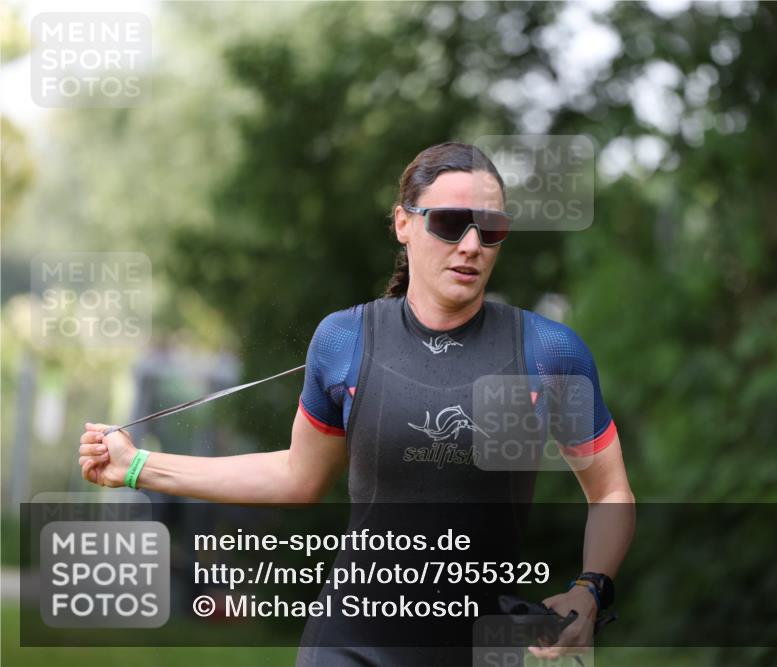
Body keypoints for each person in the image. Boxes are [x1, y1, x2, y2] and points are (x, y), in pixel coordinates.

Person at [79, 141, 635, 665]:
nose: (471, 245)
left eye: (490, 228)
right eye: (449, 223)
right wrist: (138, 465)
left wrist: (590, 589)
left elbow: (610, 491)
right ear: (404, 223)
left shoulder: (548, 352)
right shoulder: (344, 341)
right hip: (351, 642)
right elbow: (297, 478)